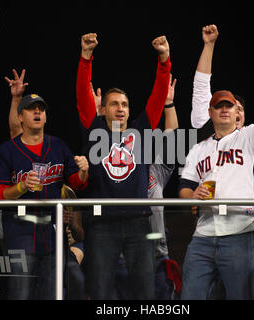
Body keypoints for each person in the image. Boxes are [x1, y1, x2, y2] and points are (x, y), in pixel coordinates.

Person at [76, 32, 171, 299]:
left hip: (138, 223)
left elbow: (158, 96)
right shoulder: (92, 129)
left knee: (144, 291)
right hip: (101, 225)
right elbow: (83, 95)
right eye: (114, 104)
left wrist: (164, 60)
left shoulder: (141, 131)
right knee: (100, 291)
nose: (121, 109)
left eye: (125, 105)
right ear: (102, 110)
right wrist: (86, 57)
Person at [179, 54, 254, 300]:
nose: (224, 109)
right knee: (190, 297)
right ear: (210, 112)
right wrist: (192, 194)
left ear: (237, 111)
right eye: (219, 106)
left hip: (241, 231)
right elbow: (184, 187)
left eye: (229, 105)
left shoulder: (248, 137)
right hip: (203, 235)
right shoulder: (198, 149)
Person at [0, 77, 89, 299]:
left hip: (53, 234)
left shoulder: (58, 146)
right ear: (20, 117)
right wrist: (22, 186)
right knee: (21, 294)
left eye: (41, 110)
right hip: (19, 232)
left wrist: (83, 170)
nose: (37, 112)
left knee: (52, 293)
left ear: (45, 117)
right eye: (30, 109)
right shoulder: (7, 151)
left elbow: (77, 183)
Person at [191, 24, 254, 198]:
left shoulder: (253, 141)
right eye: (221, 107)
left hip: (246, 218)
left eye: (237, 109)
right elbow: (201, 86)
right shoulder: (205, 129)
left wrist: (245, 192)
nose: (228, 112)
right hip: (209, 218)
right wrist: (209, 45)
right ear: (211, 113)